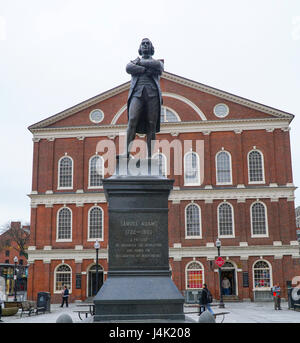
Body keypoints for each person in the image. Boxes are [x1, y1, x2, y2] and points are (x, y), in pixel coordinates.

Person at [125, 38, 164, 158]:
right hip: (137, 94)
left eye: (148, 44)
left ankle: (149, 156)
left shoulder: (157, 62)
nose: (145, 45)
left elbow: (158, 66)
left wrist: (139, 64)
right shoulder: (134, 63)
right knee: (132, 120)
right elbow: (128, 68)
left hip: (152, 95)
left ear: (151, 48)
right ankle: (126, 153)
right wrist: (145, 70)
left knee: (151, 124)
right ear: (140, 48)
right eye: (143, 44)